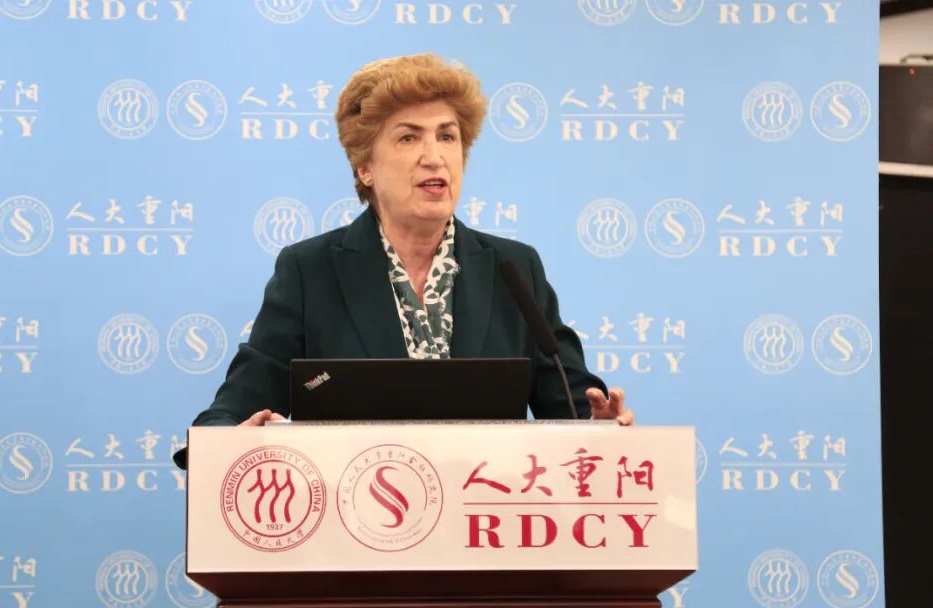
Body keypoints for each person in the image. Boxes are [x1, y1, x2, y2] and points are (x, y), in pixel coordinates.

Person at [182, 53, 632, 447]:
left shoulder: (514, 269)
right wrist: (224, 442)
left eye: (447, 136)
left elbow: (571, 404)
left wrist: (599, 426)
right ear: (365, 167)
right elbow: (234, 409)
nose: (434, 156)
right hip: (353, 512)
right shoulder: (310, 271)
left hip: (484, 510)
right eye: (408, 138)